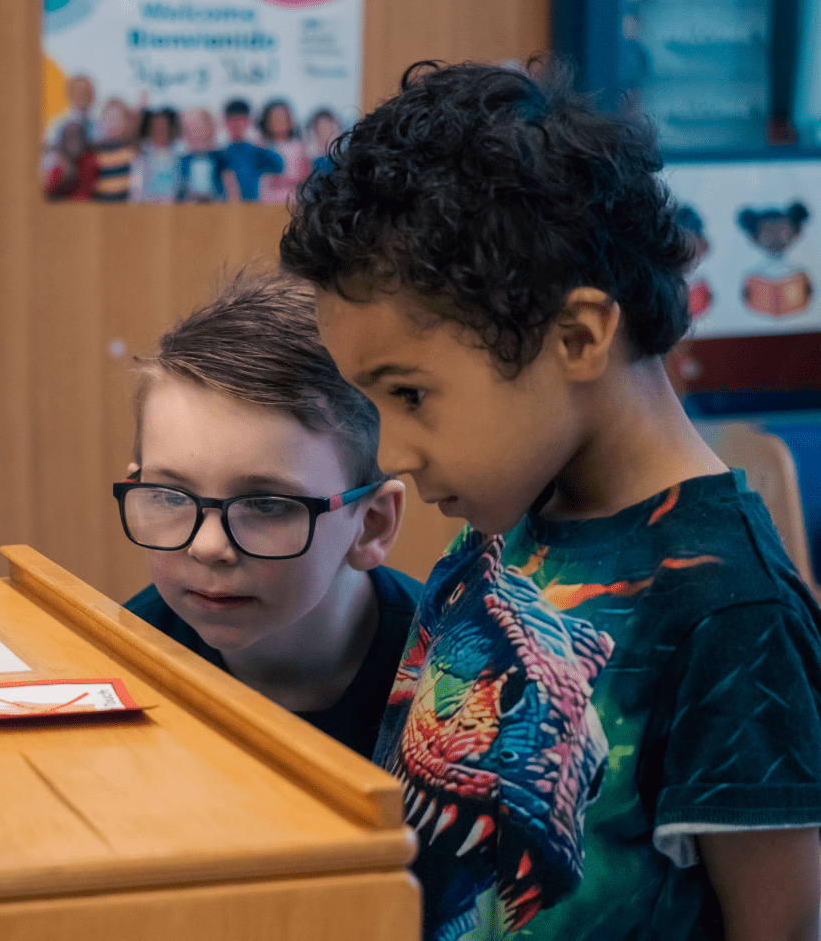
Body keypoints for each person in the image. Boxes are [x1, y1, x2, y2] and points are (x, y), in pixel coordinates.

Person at [279, 57, 821, 941]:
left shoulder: (737, 614)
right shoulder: (515, 512)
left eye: (409, 395)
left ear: (576, 336)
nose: (392, 452)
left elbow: (784, 930)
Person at [114, 269, 423, 759]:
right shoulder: (123, 666)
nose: (208, 547)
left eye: (266, 504)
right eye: (171, 496)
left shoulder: (458, 683)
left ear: (373, 523)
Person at [219, 98, 283, 202]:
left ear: (249, 121)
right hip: (227, 208)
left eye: (241, 120)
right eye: (232, 120)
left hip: (253, 207)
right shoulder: (220, 153)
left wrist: (261, 138)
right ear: (225, 122)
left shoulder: (256, 151)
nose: (236, 124)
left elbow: (279, 166)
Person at [257, 98, 309, 204]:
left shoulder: (298, 146)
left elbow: (305, 175)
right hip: (267, 202)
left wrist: (283, 181)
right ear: (267, 122)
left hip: (292, 201)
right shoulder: (261, 146)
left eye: (282, 118)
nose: (278, 122)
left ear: (290, 121)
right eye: (274, 119)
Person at [130, 107, 181, 204]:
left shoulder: (179, 153)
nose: (160, 130)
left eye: (163, 127)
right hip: (147, 207)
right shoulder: (141, 154)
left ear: (170, 129)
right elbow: (135, 187)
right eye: (156, 127)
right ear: (150, 130)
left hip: (174, 208)